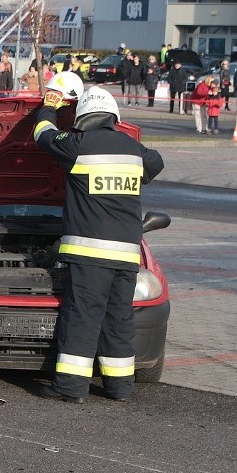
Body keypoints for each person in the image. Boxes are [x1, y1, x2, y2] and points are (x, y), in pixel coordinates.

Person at [33, 81, 164, 404]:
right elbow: (156, 162)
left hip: (89, 252)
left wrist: (50, 105)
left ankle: (71, 388)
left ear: (82, 116)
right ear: (113, 115)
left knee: (83, 316)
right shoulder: (134, 150)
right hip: (127, 254)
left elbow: (43, 135)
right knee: (119, 317)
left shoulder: (77, 145)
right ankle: (120, 388)